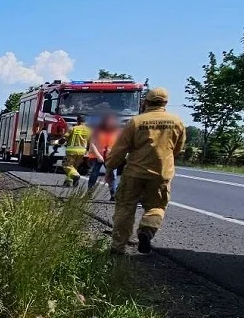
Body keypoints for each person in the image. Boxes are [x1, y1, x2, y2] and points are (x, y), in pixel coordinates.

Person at [104, 87, 186, 254]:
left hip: (134, 172)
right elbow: (177, 148)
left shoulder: (136, 122)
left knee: (125, 208)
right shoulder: (177, 122)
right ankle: (147, 230)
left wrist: (110, 168)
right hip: (161, 173)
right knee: (156, 206)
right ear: (165, 103)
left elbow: (120, 150)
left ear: (145, 102)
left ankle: (118, 247)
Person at [87, 111, 122, 199]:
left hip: (111, 157)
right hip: (98, 157)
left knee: (112, 176)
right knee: (94, 175)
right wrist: (98, 155)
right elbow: (92, 144)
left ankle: (113, 194)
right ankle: (89, 193)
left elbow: (121, 144)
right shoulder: (97, 130)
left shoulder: (117, 131)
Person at [61, 115, 91, 188]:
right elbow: (90, 142)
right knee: (74, 166)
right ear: (85, 122)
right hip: (82, 152)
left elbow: (64, 138)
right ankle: (69, 181)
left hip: (71, 151)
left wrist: (58, 143)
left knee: (67, 165)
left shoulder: (73, 129)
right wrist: (87, 151)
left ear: (77, 121)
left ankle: (76, 176)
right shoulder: (89, 130)